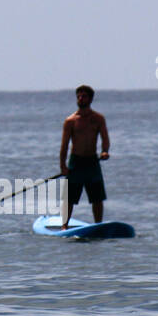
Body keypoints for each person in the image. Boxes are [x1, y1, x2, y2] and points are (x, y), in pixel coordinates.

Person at [57, 84, 110, 227]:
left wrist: (105, 151)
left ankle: (98, 225)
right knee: (69, 198)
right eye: (78, 96)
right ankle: (64, 226)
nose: (80, 99)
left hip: (92, 161)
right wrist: (63, 165)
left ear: (91, 99)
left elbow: (105, 138)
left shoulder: (98, 119)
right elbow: (64, 146)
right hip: (76, 161)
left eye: (84, 96)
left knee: (97, 197)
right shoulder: (71, 121)